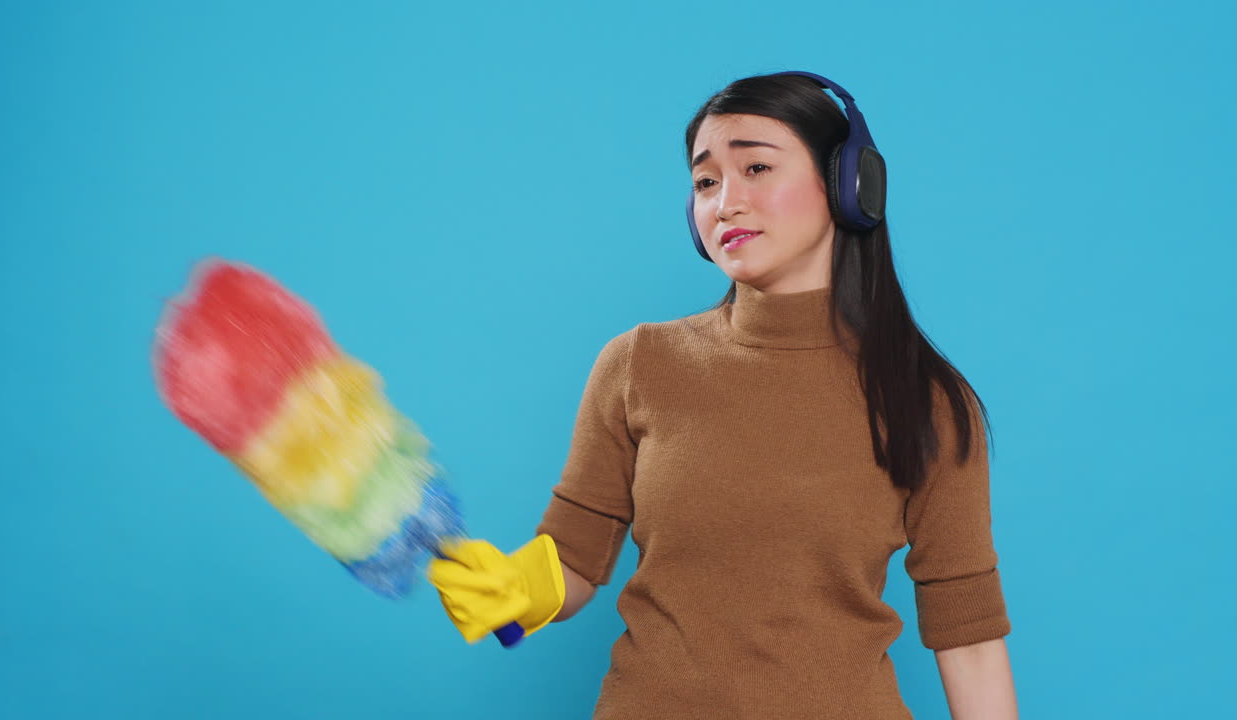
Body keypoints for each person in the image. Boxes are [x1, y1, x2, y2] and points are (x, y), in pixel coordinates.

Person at [426, 71, 1017, 719]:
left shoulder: (925, 396)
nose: (725, 202)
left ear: (851, 186)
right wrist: (519, 587)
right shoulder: (639, 363)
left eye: (756, 167)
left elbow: (970, 636)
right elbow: (571, 561)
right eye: (706, 182)